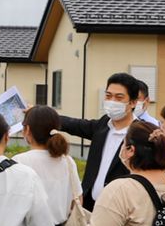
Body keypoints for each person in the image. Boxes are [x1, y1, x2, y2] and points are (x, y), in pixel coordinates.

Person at [58, 72, 141, 210]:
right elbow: (75, 125)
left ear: (133, 102)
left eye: (119, 97)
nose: (112, 101)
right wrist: (42, 114)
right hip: (90, 205)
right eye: (108, 96)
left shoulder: (141, 135)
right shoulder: (103, 124)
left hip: (120, 210)